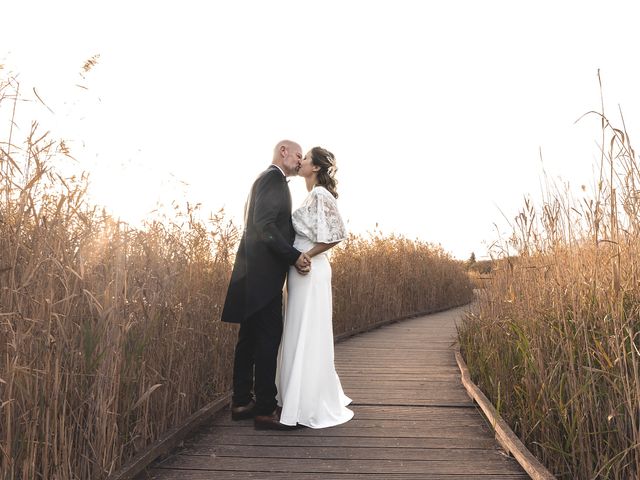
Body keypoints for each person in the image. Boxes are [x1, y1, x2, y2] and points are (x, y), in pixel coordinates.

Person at [221, 140, 311, 430]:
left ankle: (241, 402)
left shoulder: (262, 179)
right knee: (268, 340)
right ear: (283, 151)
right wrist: (294, 255)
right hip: (263, 278)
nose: (300, 161)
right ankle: (265, 409)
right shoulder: (274, 180)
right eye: (298, 155)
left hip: (249, 274)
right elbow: (265, 225)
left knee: (247, 340)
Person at [276, 146, 354, 428]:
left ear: (317, 168)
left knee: (307, 328)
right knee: (299, 328)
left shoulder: (320, 194)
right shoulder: (311, 195)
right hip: (301, 269)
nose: (301, 162)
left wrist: (306, 256)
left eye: (306, 159)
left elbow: (337, 235)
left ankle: (306, 401)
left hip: (310, 269)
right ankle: (295, 396)